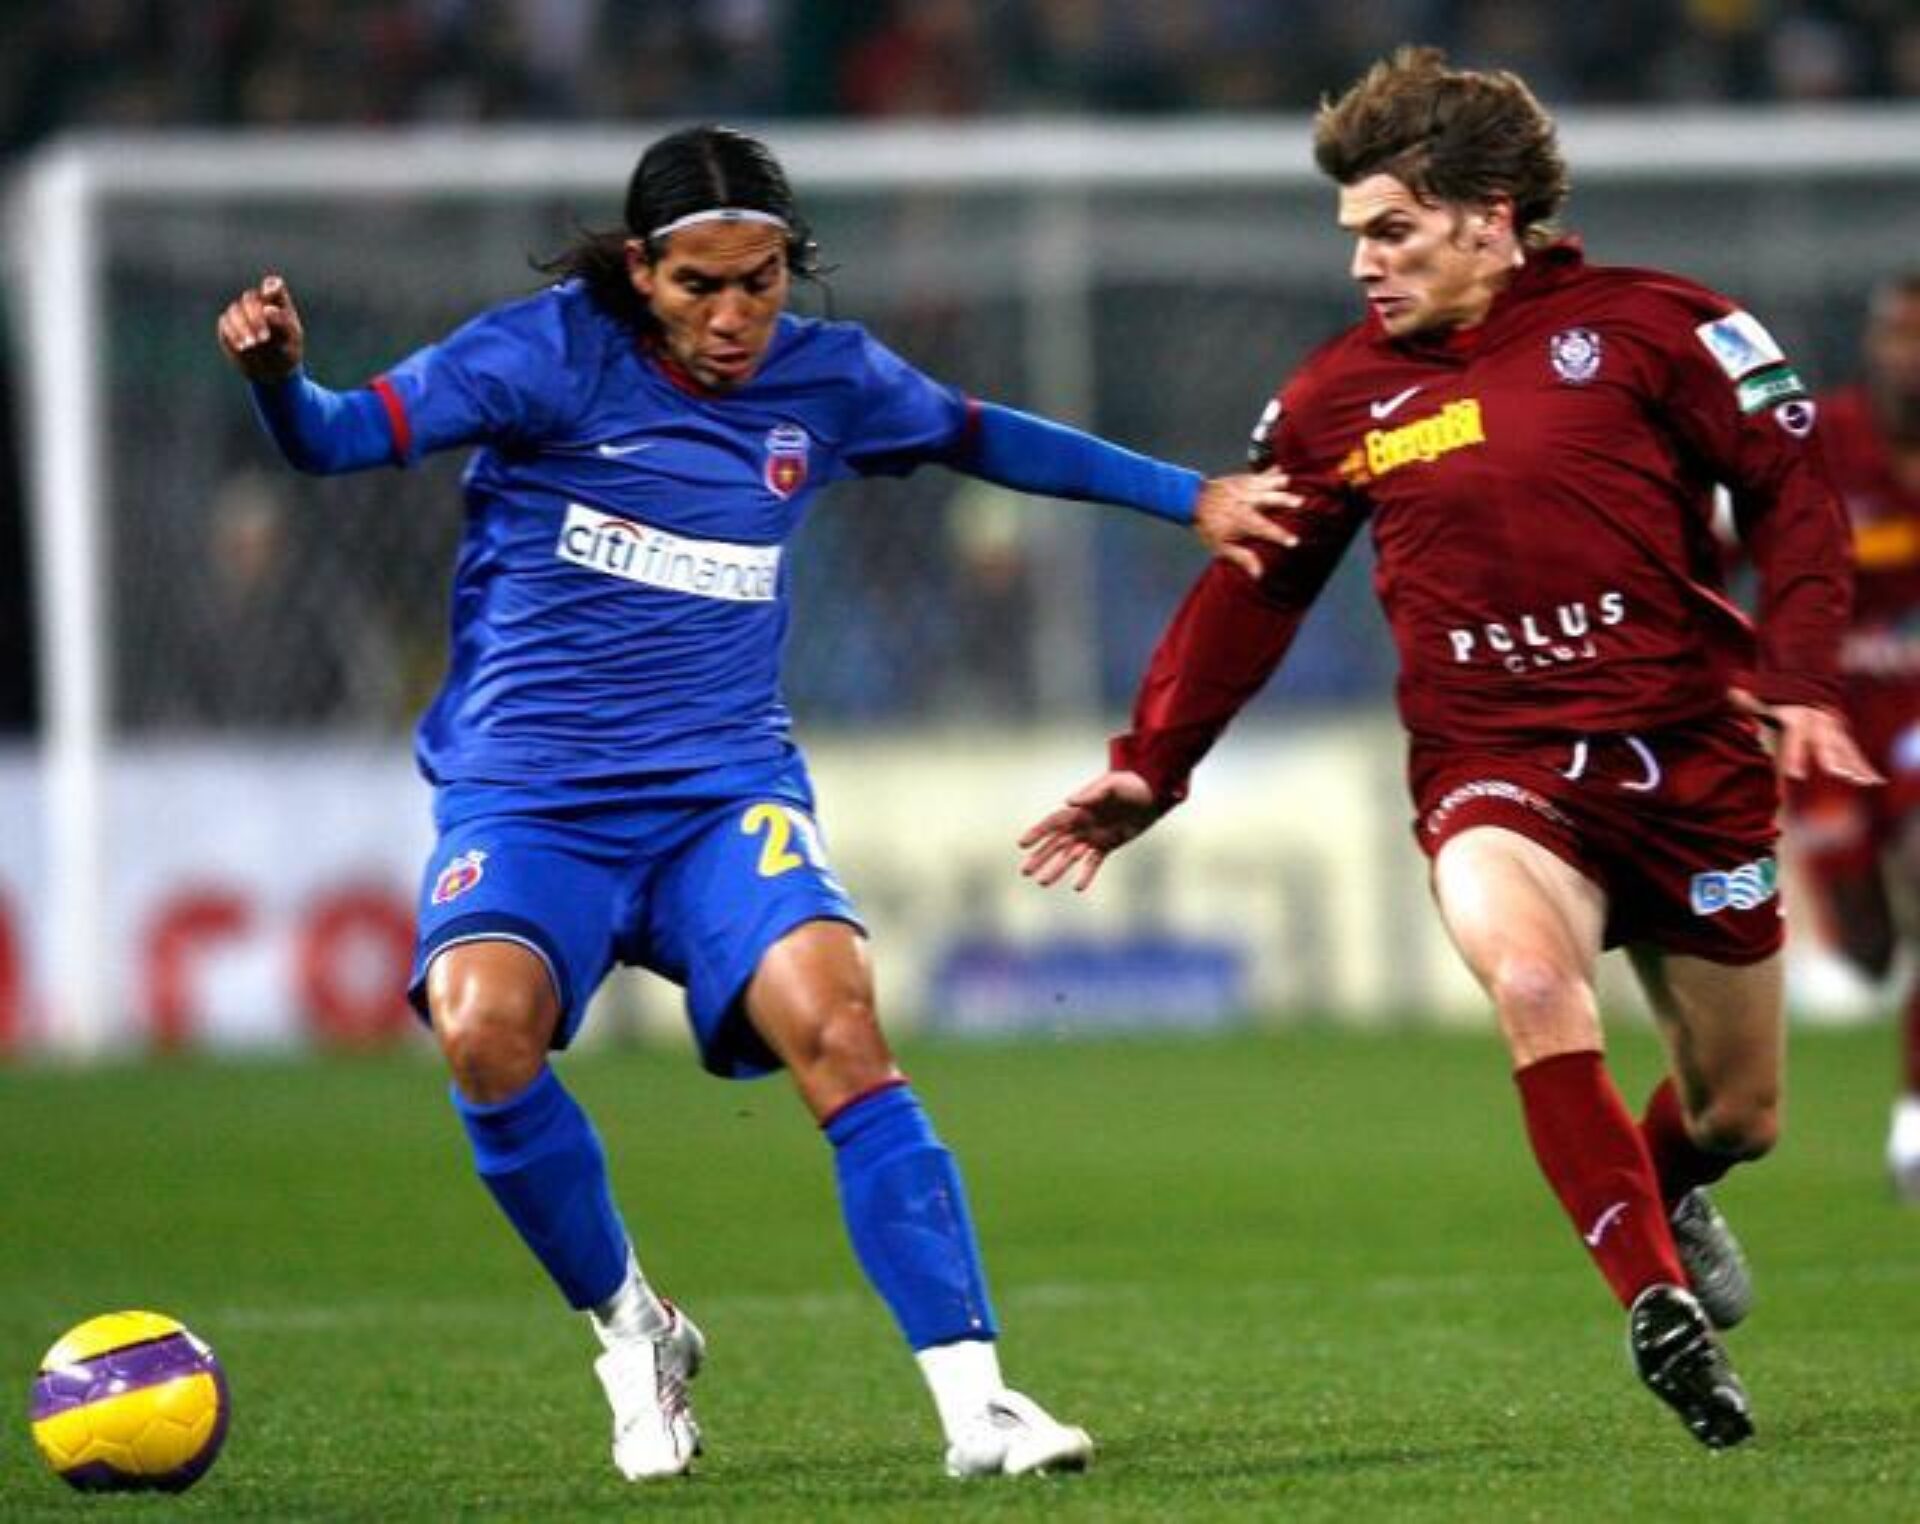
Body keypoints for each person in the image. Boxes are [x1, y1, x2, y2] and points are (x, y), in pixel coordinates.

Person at [215, 124, 1297, 1483]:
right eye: (700, 287)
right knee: (483, 1034)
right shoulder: (539, 356)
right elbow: (333, 440)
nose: (735, 316)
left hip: (722, 795)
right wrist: (278, 379)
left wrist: (1189, 497)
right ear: (639, 269)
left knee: (839, 1025)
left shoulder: (829, 379)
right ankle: (634, 1334)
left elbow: (980, 435)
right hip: (531, 800)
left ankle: (980, 1406)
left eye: (761, 283)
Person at [1018, 47, 1881, 1450]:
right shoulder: (1337, 397)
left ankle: (1668, 1185)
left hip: (1689, 761)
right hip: (1497, 769)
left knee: (1739, 1113)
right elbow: (1258, 585)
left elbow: (1791, 492)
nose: (1363, 261)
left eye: (1393, 229)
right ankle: (1656, 1305)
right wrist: (1154, 762)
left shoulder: (1661, 328)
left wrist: (1798, 680)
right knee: (1533, 983)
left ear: (1492, 217)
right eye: (1354, 232)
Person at [1787, 273, 1920, 1200]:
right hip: (1830, 730)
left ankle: (1915, 1122)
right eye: (1898, 336)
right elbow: (1719, 552)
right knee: (1869, 950)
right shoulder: (1822, 444)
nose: (1909, 357)